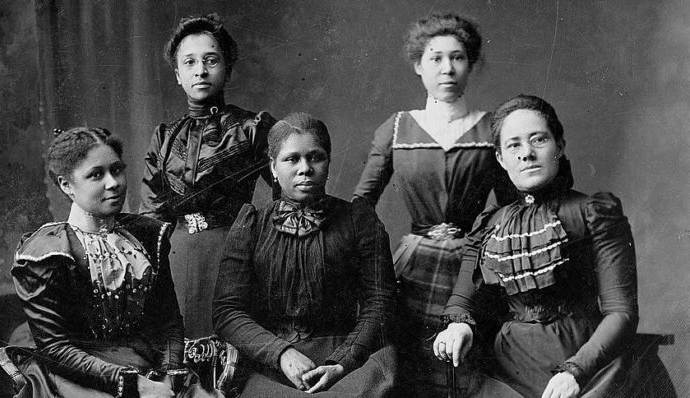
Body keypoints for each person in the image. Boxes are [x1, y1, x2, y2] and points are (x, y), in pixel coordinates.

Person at [433, 95, 640, 398]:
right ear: (501, 158)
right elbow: (462, 301)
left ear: (559, 145)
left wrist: (576, 372)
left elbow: (622, 311)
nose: (527, 154)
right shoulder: (490, 224)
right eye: (514, 145)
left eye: (539, 139)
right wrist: (459, 327)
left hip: (588, 366)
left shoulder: (593, 212)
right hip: (506, 371)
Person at [352, 12, 513, 393]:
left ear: (470, 63)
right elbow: (361, 204)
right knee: (405, 367)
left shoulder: (492, 128)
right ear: (417, 66)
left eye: (457, 57)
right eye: (435, 58)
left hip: (471, 266)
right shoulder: (397, 127)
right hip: (412, 267)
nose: (447, 68)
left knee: (468, 368)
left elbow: (511, 209)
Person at [213, 113, 397, 397]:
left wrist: (342, 363)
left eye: (315, 157)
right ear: (273, 167)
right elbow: (227, 311)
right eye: (292, 159)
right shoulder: (251, 225)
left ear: (328, 162)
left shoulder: (359, 220)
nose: (305, 168)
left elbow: (380, 304)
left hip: (345, 361)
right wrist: (281, 353)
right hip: (270, 364)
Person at [11, 127, 185, 398]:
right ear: (66, 185)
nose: (113, 183)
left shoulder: (147, 236)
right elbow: (56, 348)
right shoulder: (46, 253)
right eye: (96, 175)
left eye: (116, 170)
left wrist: (168, 378)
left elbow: (169, 322)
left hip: (148, 365)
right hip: (78, 375)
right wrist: (134, 386)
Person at [139, 14, 277, 339]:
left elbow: (284, 198)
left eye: (210, 60)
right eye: (189, 62)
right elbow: (151, 214)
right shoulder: (164, 136)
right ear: (177, 74)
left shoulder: (251, 128)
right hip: (176, 257)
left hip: (235, 254)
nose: (200, 70)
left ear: (227, 68)